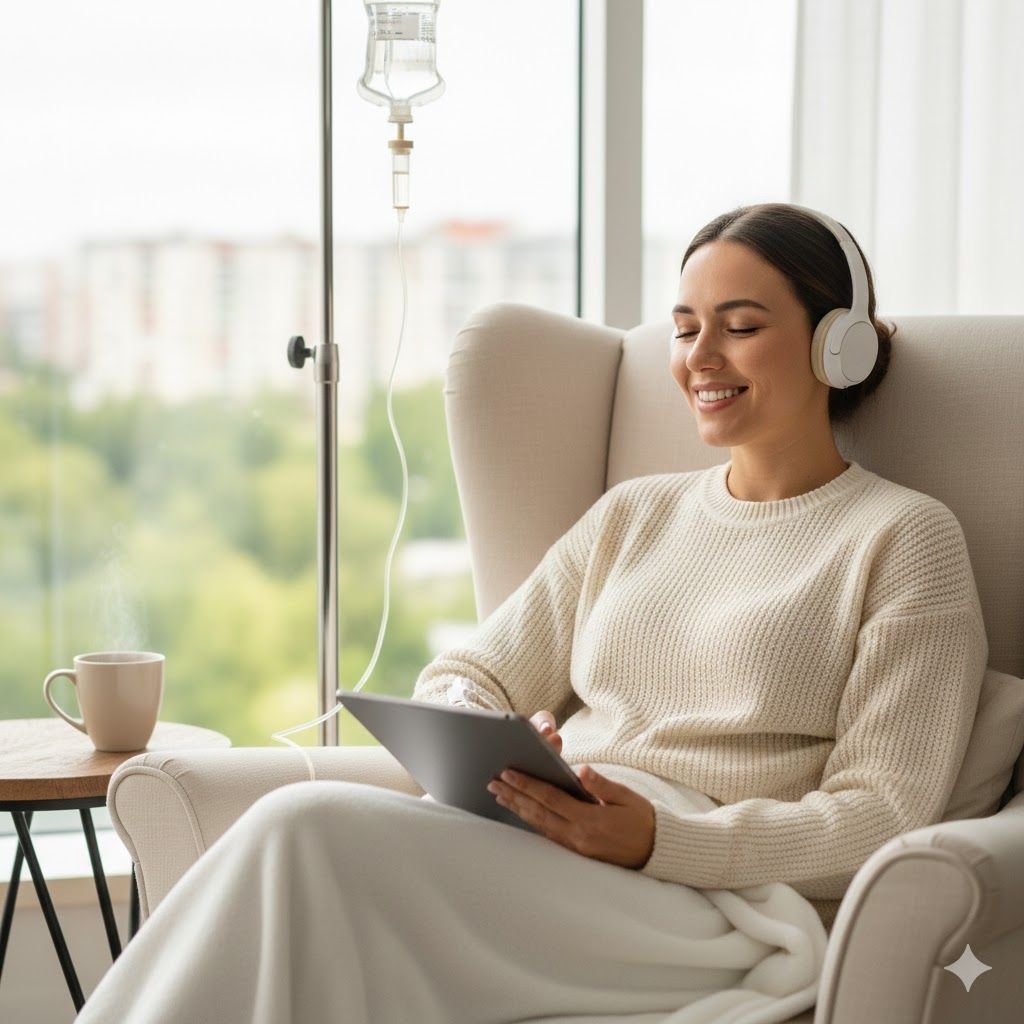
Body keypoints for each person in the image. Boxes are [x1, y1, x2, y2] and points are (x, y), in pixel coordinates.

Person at [75, 203, 987, 1024]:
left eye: (741, 327)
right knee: (299, 850)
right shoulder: (637, 514)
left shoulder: (904, 539)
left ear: (840, 345)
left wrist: (661, 838)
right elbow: (464, 675)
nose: (700, 358)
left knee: (303, 827)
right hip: (551, 850)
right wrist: (504, 747)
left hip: (714, 903)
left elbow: (880, 814)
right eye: (683, 328)